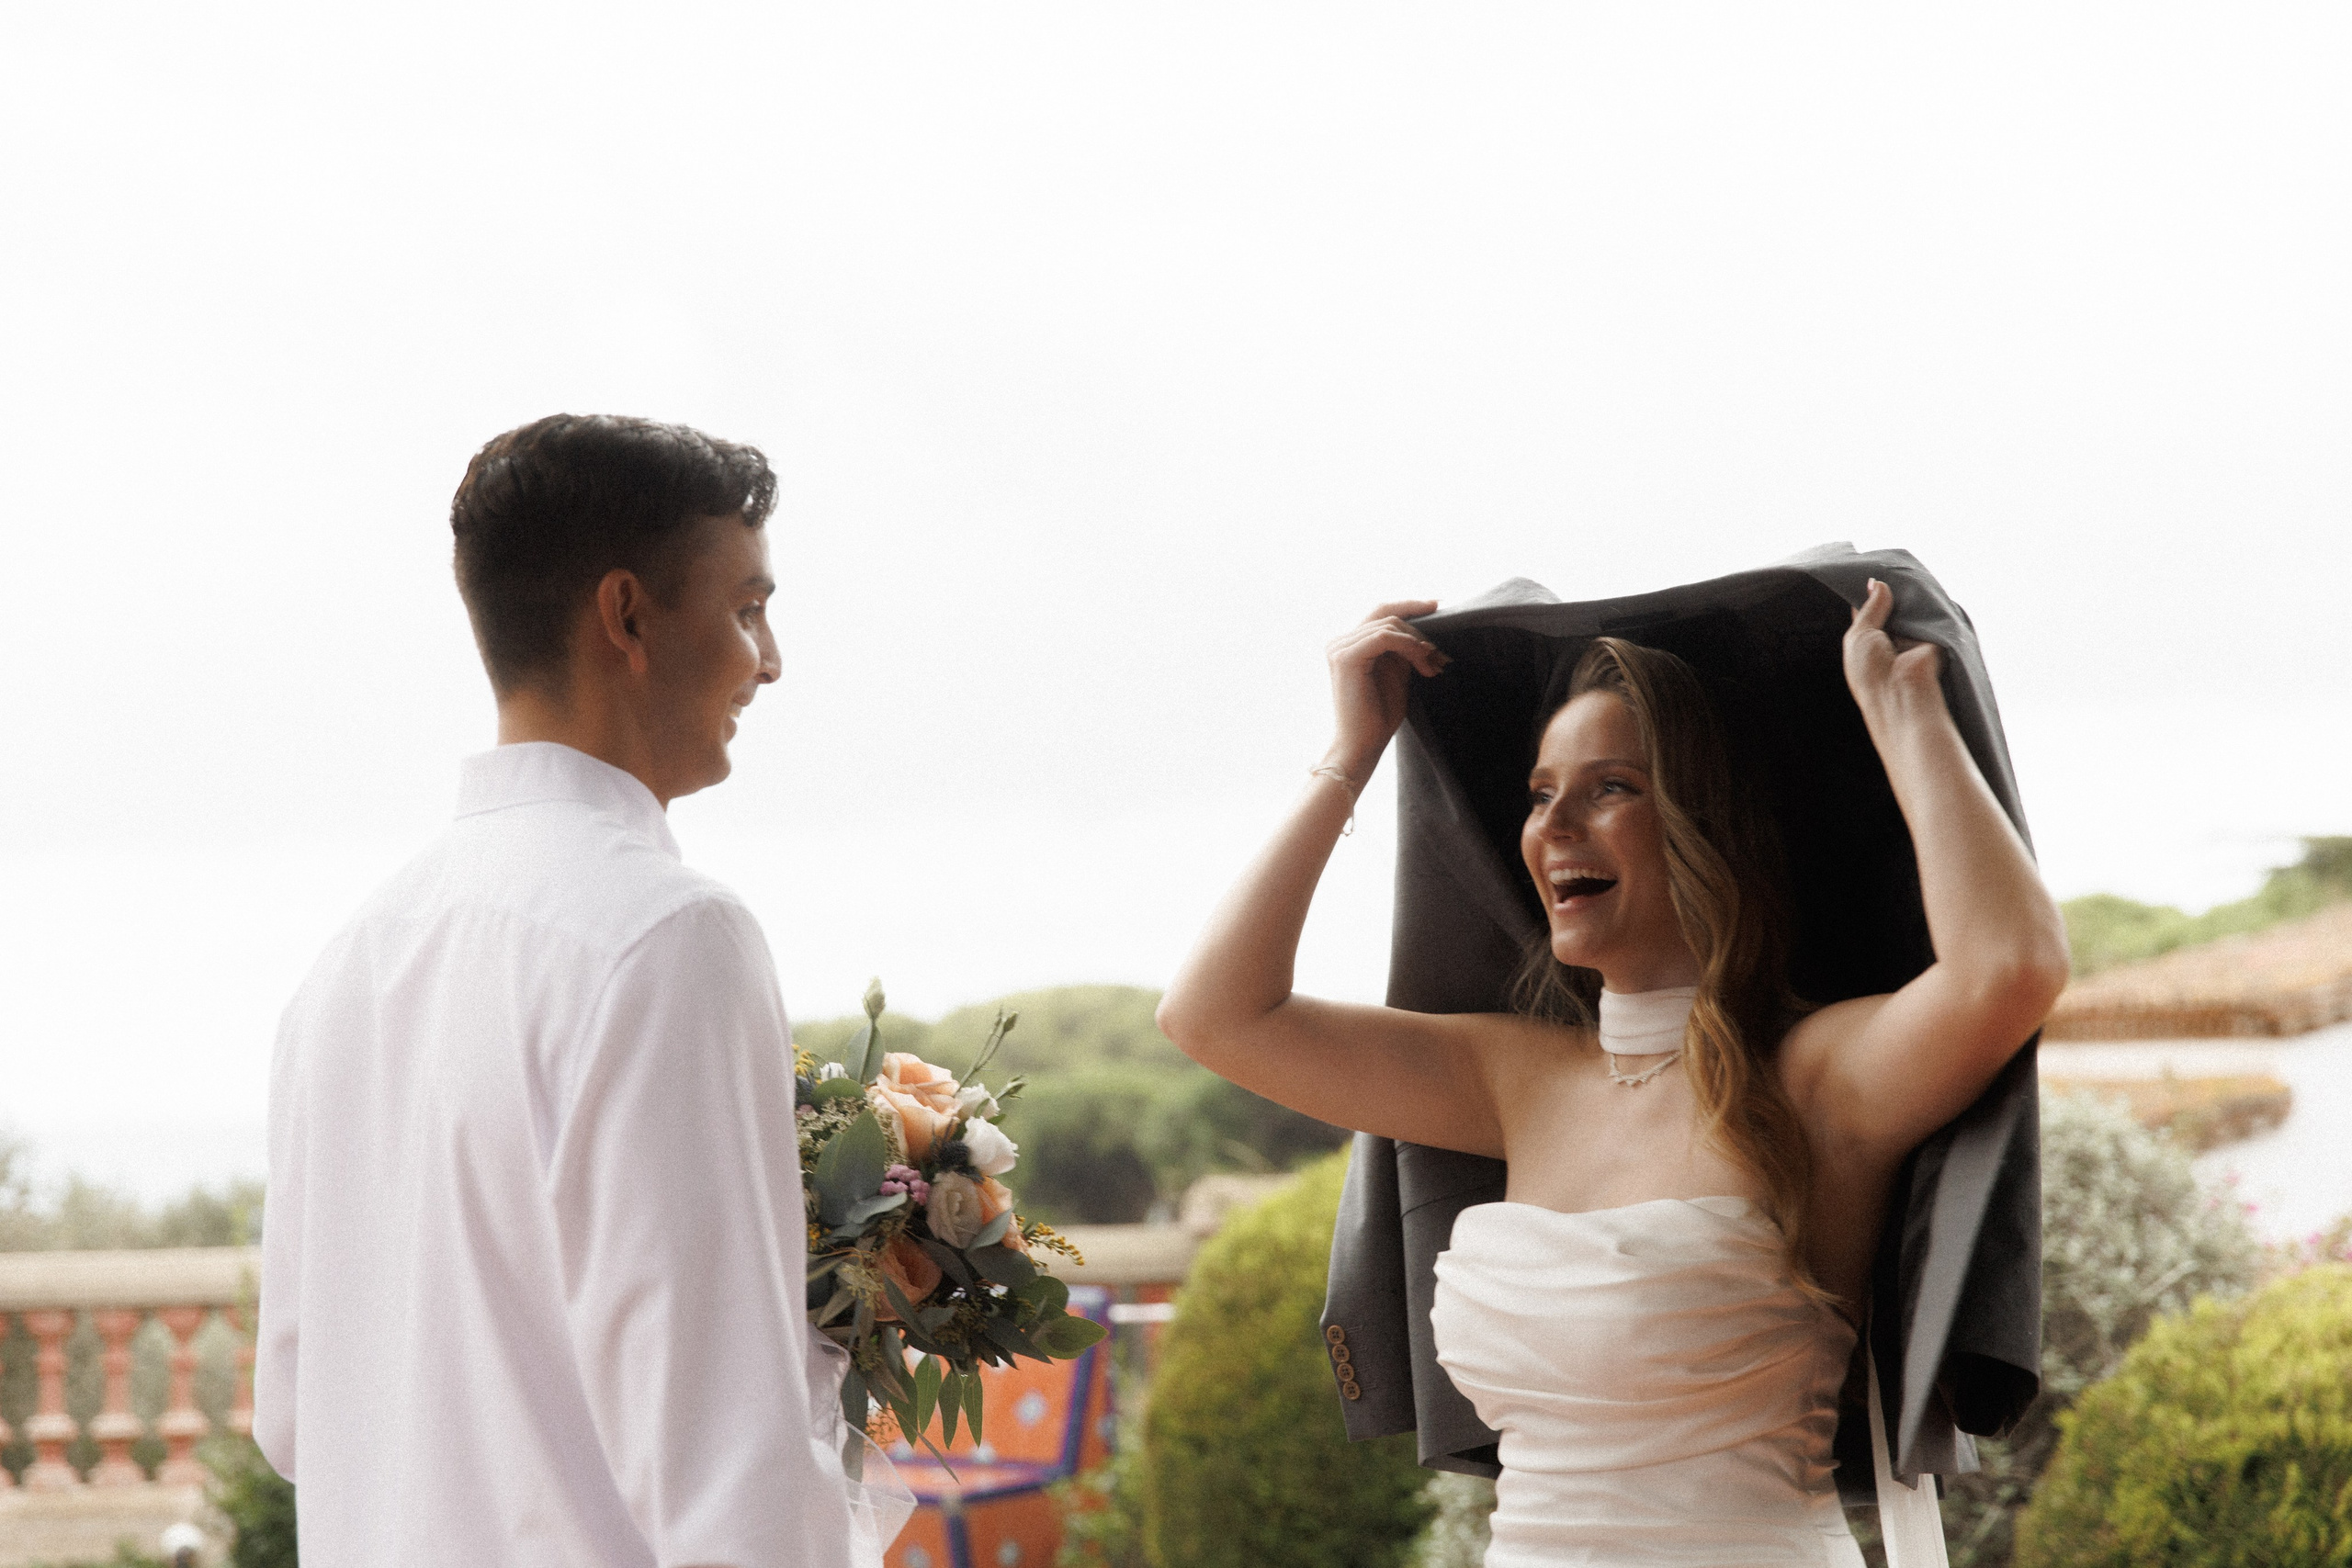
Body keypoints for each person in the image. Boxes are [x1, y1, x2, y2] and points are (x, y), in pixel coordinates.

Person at [1156, 582, 2070, 1566]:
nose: (1553, 826)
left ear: (1702, 822)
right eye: (1540, 793)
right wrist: (1352, 752)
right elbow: (1213, 1015)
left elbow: (2005, 969)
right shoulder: (1512, 1076)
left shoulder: (1813, 1079)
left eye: (1609, 788)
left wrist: (1905, 717)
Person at [256, 414, 890, 1566]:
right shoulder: (667, 936)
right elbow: (731, 1477)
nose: (771, 659)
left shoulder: (345, 964)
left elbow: (294, 1418)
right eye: (746, 608)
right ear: (628, 616)